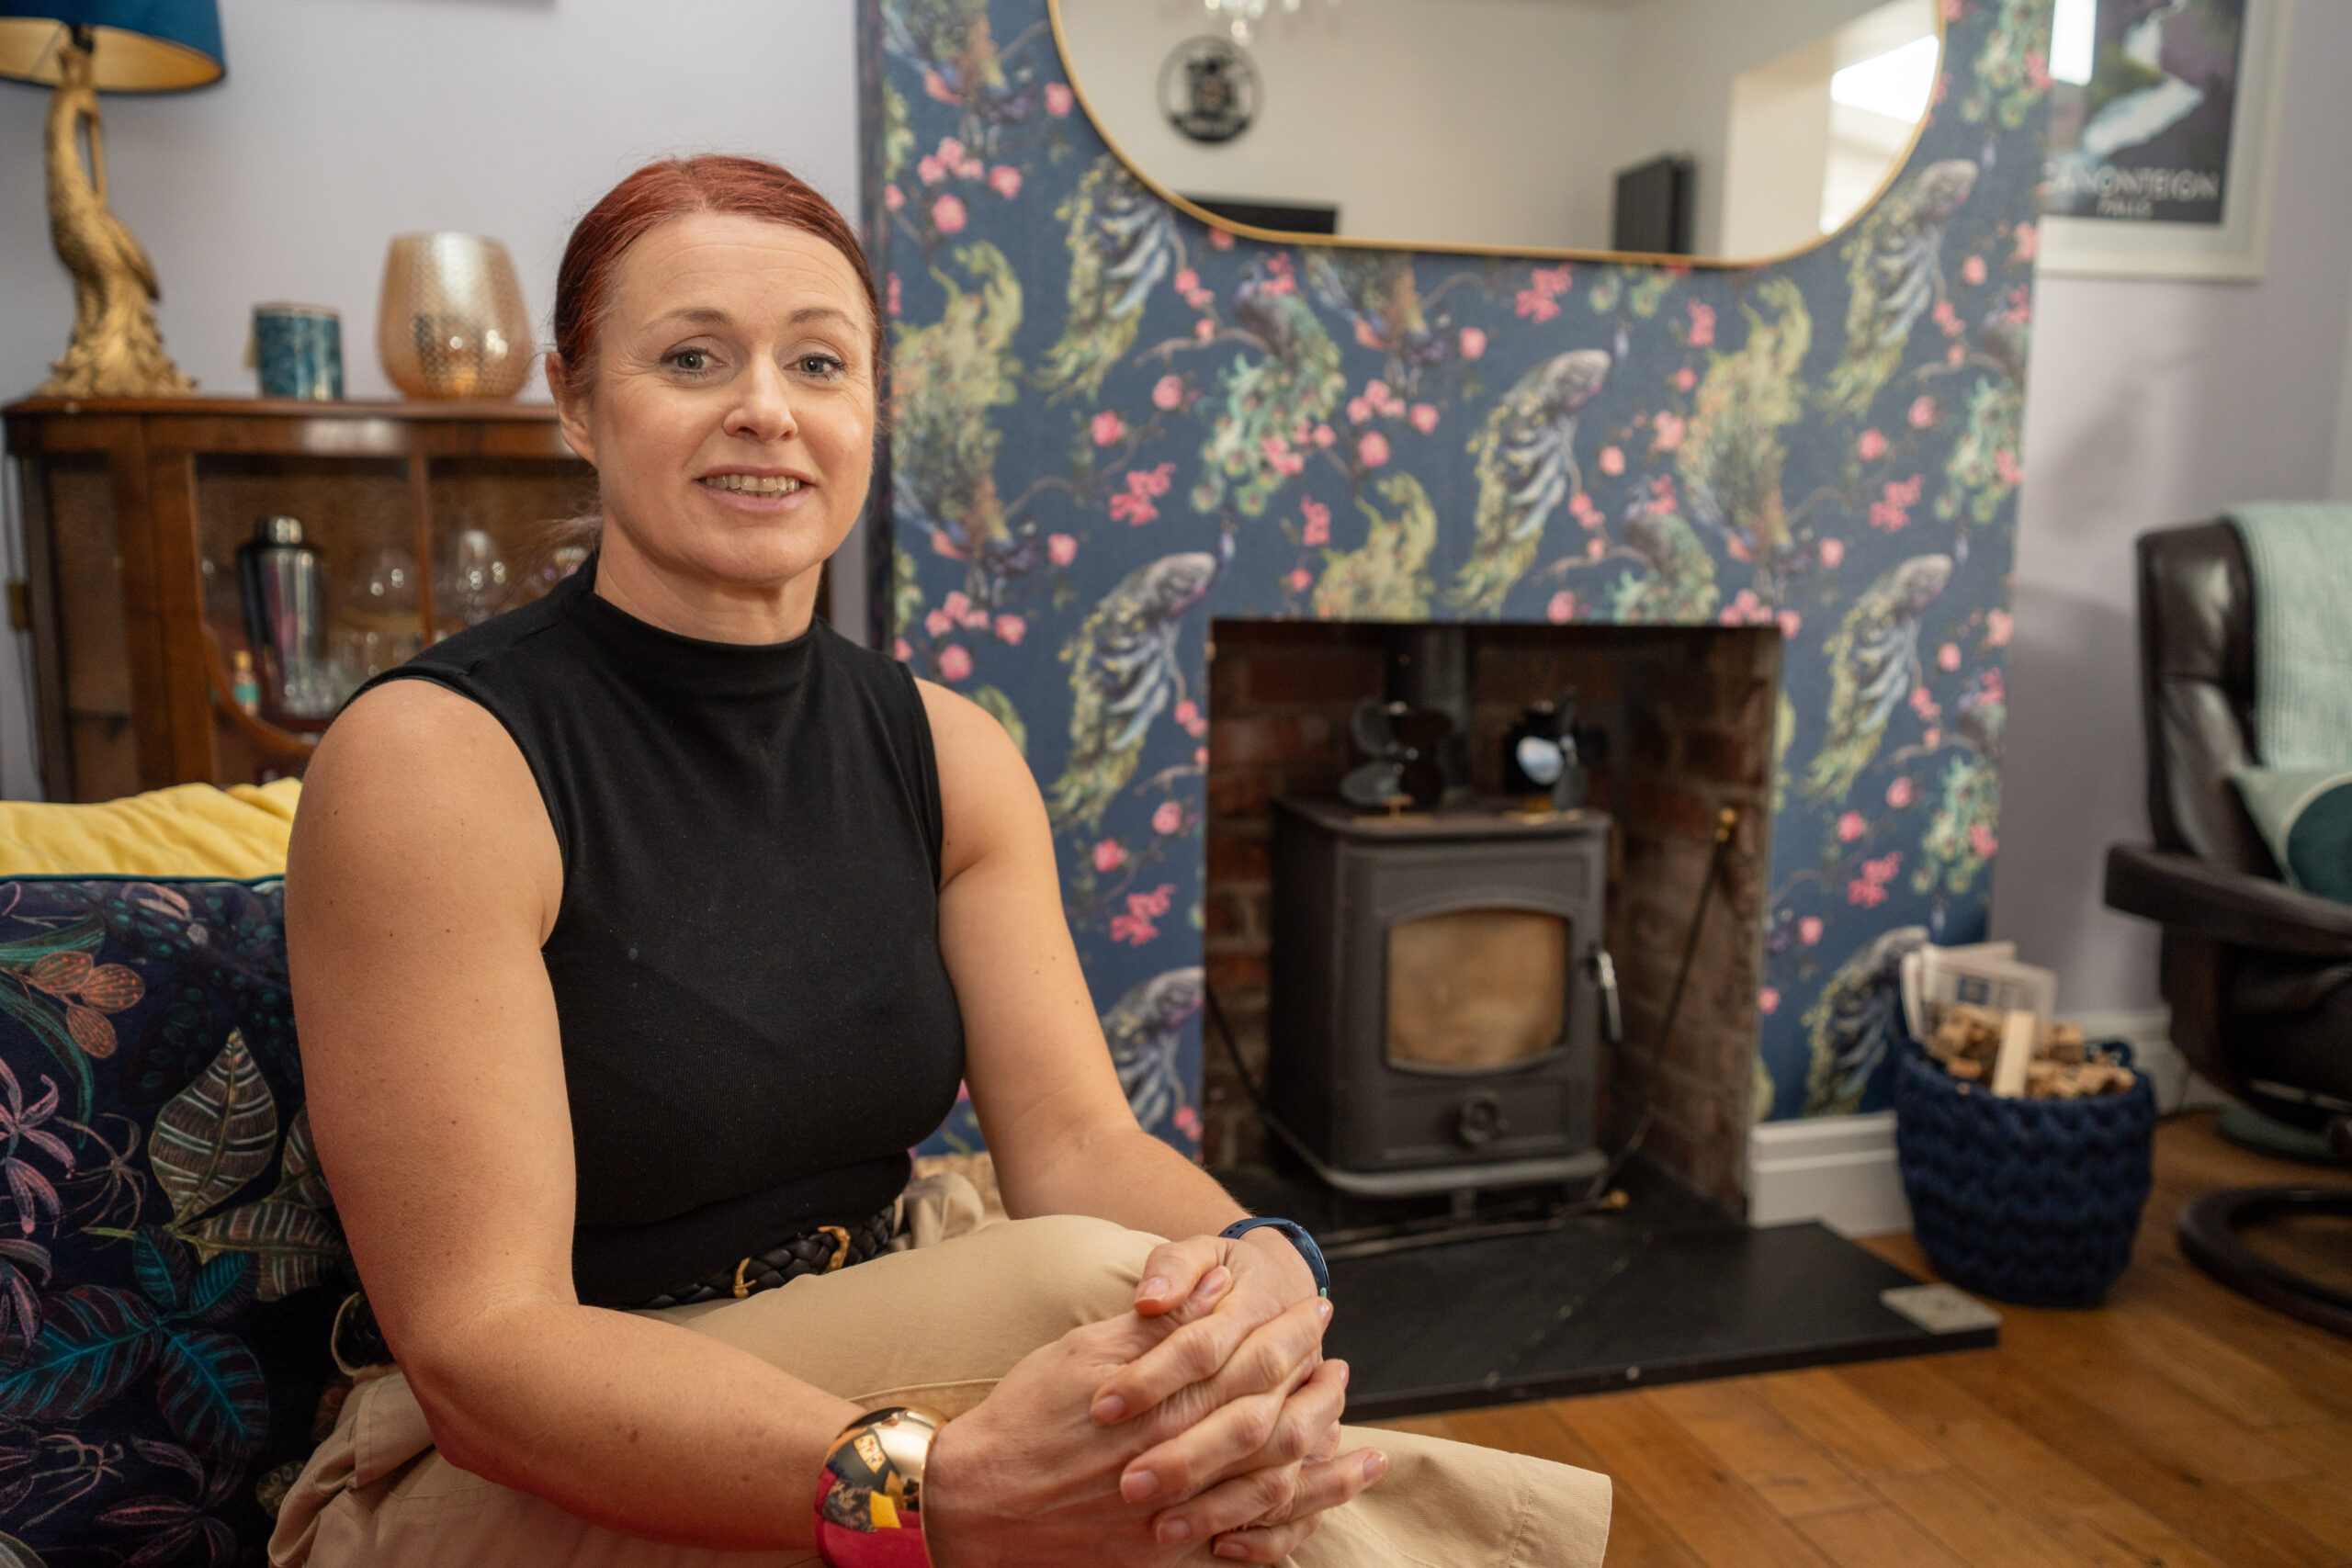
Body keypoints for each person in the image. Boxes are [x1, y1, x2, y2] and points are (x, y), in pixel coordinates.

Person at [273, 154, 1611, 1568]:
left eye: (820, 362)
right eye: (691, 357)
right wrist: (939, 1490)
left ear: (872, 409)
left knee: (1171, 1334)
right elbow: (488, 1353)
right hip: (521, 1460)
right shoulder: (436, 763)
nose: (767, 411)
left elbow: (1079, 1143)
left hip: (888, 1345)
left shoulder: (948, 751)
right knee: (1097, 1320)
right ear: (576, 401)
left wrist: (1265, 1262)